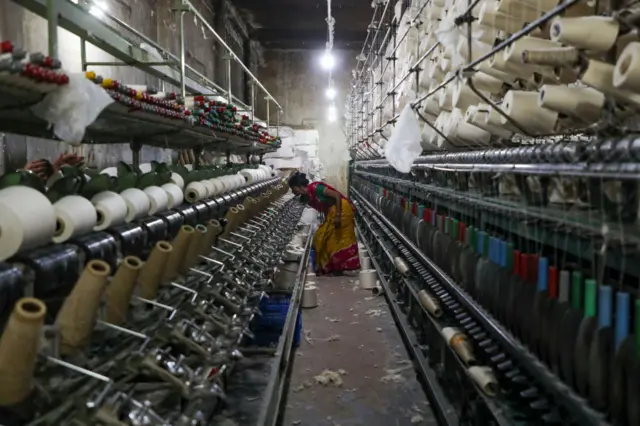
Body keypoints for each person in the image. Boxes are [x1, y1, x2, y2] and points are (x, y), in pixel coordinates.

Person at [288, 172, 360, 276]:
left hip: (342, 210)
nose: (292, 191)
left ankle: (340, 268)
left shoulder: (317, 188)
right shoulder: (305, 196)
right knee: (321, 238)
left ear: (298, 186)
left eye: (292, 188)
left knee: (341, 239)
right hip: (331, 212)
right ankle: (333, 267)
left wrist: (338, 216)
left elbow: (337, 196)